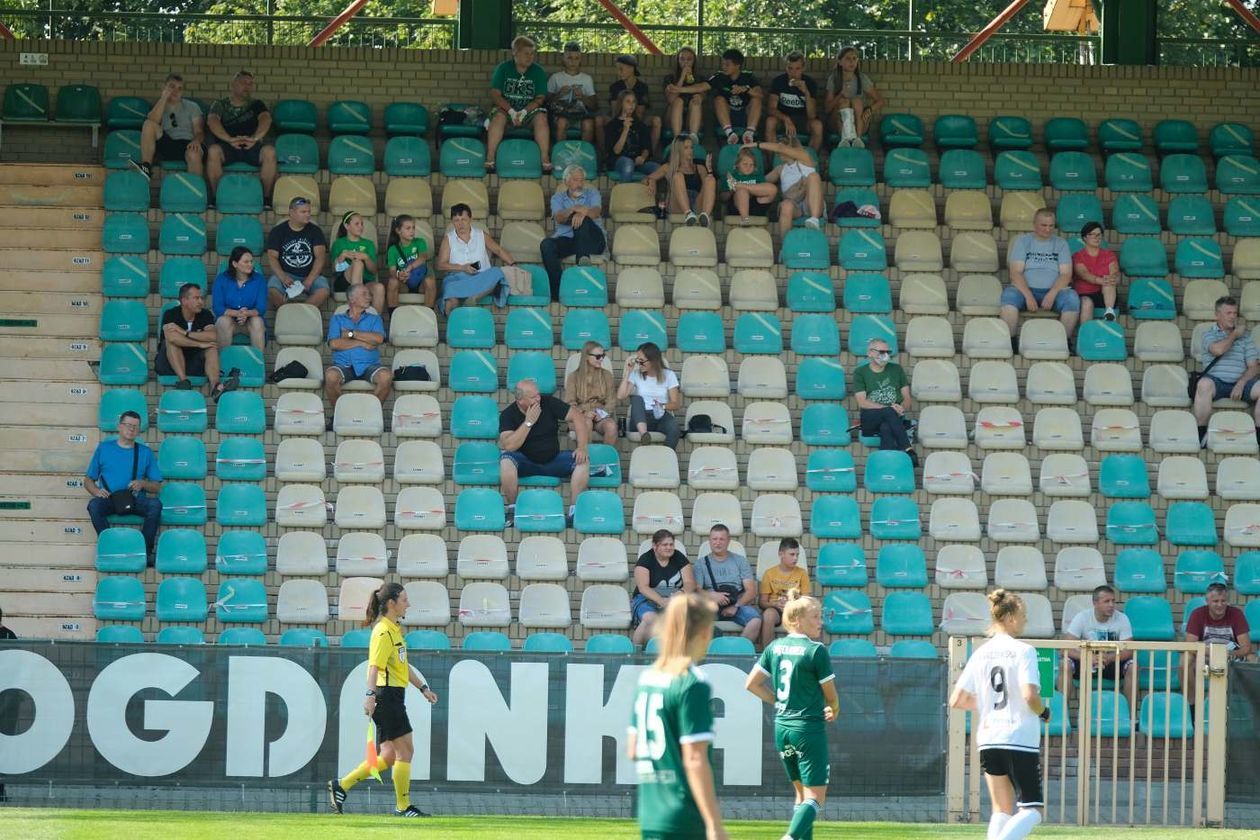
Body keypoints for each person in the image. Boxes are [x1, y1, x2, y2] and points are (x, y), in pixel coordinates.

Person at [328, 582, 439, 818]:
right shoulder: (383, 631)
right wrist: (370, 696)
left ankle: (342, 785)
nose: (408, 604)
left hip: (394, 696)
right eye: (404, 600)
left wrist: (423, 688)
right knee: (405, 752)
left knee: (388, 757)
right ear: (391, 603)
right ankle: (403, 807)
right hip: (386, 697)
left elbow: (402, 666)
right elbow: (374, 667)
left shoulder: (394, 629)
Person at [949, 590, 1050, 840]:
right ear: (1011, 618)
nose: (1025, 621)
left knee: (1001, 809)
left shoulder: (981, 652)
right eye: (1023, 616)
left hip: (989, 738)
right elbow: (1029, 695)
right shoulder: (1024, 651)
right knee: (1033, 810)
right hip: (1018, 738)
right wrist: (1044, 712)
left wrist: (987, 705)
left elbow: (957, 700)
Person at [628, 592, 729, 840]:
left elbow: (633, 749)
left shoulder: (647, 679)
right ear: (706, 631)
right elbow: (695, 759)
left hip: (651, 814)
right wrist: (714, 824)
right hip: (684, 816)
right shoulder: (692, 682)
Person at [745, 589, 839, 840]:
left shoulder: (774, 647)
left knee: (801, 795)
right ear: (796, 619)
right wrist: (835, 707)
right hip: (807, 729)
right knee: (816, 797)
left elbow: (752, 684)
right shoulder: (816, 650)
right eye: (816, 616)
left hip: (782, 728)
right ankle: (789, 838)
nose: (821, 621)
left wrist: (777, 700)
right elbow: (830, 695)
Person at [499, 377, 590, 527]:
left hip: (553, 460)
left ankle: (574, 512)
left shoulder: (548, 403)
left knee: (583, 461)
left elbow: (577, 416)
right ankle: (512, 509)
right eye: (533, 397)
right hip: (525, 461)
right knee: (506, 461)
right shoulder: (508, 414)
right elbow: (509, 445)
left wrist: (582, 447)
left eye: (538, 394)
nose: (538, 398)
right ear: (520, 400)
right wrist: (528, 422)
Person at [84, 410, 163, 560]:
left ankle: (144, 552)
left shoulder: (145, 452)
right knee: (94, 505)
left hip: (135, 499)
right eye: (128, 425)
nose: (131, 429)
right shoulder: (104, 448)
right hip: (110, 499)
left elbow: (157, 486)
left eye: (135, 426)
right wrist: (96, 491)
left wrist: (143, 483)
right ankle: (110, 546)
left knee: (155, 505)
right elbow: (88, 480)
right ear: (119, 426)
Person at [1000, 208, 1078, 353]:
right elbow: (1015, 273)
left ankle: (1063, 342)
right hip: (1025, 290)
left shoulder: (1061, 244)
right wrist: (1028, 295)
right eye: (1044, 225)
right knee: (1008, 296)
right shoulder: (1023, 242)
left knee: (1072, 299)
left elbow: (1066, 274)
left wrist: (1053, 293)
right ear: (1034, 224)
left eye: (1051, 226)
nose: (1048, 229)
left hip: (1054, 291)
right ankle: (1010, 342)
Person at [1192, 295, 1260, 446]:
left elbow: (1254, 366)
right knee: (1203, 384)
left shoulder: (1246, 338)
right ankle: (1200, 434)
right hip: (1216, 382)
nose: (1233, 317)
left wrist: (1242, 383)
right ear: (1217, 315)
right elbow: (1218, 350)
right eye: (1228, 313)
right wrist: (1234, 335)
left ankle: (1258, 436)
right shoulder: (1209, 334)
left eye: (1235, 313)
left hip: (1240, 383)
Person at [205, 70, 277, 204]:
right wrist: (229, 139)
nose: (247, 86)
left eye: (250, 84)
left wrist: (254, 139)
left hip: (251, 145)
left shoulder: (257, 104)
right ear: (233, 84)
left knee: (270, 151)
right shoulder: (220, 104)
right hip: (227, 146)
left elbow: (265, 119)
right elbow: (212, 121)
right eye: (244, 83)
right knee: (213, 151)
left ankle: (265, 198)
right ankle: (216, 197)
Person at [1061, 585, 1136, 712]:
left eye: (1113, 601)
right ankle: (1062, 714)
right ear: (1095, 603)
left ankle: (1130, 716)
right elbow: (1064, 648)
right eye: (1106, 601)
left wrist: (1111, 657)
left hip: (1111, 662)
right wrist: (1087, 657)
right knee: (1065, 664)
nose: (1111, 605)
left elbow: (1129, 650)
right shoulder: (1082, 617)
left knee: (1133, 667)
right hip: (1086, 662)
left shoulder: (1122, 618)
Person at [434, 202, 514, 317]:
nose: (460, 224)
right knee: (450, 290)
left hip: (481, 276)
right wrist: (463, 267)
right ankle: (453, 329)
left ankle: (472, 299)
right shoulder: (449, 239)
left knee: (497, 272)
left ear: (470, 219)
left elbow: (498, 250)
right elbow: (440, 265)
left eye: (463, 219)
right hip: (458, 278)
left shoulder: (481, 235)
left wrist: (513, 264)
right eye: (456, 220)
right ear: (452, 222)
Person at [486, 35, 551, 174]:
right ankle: (490, 157)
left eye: (532, 53)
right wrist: (511, 111)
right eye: (526, 53)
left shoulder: (538, 71)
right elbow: (495, 94)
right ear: (515, 53)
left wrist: (523, 112)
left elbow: (540, 98)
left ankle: (544, 158)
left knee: (542, 118)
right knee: (498, 118)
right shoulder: (503, 68)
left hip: (528, 112)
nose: (530, 57)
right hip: (507, 111)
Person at [324, 284, 392, 414]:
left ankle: (370, 414)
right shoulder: (337, 319)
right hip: (343, 365)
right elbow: (334, 344)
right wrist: (361, 343)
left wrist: (351, 334)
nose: (369, 297)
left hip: (369, 365)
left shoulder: (375, 318)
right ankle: (341, 415)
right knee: (331, 376)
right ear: (352, 299)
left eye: (369, 294)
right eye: (364, 294)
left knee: (386, 377)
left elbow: (378, 339)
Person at [540, 165, 605, 300]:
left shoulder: (593, 194)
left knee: (584, 220)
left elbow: (595, 211)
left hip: (593, 241)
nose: (580, 184)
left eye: (582, 181)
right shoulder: (557, 198)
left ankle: (582, 261)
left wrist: (583, 212)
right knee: (546, 245)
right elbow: (559, 217)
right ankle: (558, 289)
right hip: (569, 241)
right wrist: (573, 209)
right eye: (576, 180)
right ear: (566, 182)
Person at [673, 48, 762, 146]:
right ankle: (730, 134)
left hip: (746, 115)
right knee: (718, 99)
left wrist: (746, 89)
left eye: (727, 65)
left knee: (756, 100)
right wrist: (679, 89)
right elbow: (702, 86)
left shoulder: (748, 76)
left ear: (737, 65)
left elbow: (760, 94)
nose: (724, 67)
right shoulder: (719, 76)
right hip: (726, 116)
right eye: (723, 64)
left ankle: (749, 133)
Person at [853, 337, 917, 466]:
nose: (885, 355)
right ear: (870, 353)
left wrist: (901, 408)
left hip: (895, 417)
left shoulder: (897, 369)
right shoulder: (860, 372)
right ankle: (907, 448)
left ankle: (886, 466)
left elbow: (907, 398)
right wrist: (889, 409)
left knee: (886, 428)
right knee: (888, 412)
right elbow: (862, 402)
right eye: (881, 352)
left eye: (888, 352)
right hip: (870, 418)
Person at [695, 524, 762, 645]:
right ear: (709, 541)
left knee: (755, 620)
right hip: (711, 606)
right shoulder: (701, 564)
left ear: (728, 541)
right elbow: (697, 590)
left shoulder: (740, 561)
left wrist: (735, 606)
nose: (718, 543)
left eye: (722, 539)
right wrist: (712, 595)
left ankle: (737, 652)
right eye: (714, 539)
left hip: (737, 605)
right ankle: (711, 655)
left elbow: (751, 591)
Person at [157, 282, 225, 398]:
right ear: (184, 301)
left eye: (201, 298)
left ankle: (215, 387)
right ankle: (183, 381)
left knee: (211, 346)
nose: (201, 302)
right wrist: (199, 344)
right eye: (196, 298)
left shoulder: (205, 314)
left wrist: (184, 333)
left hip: (194, 364)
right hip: (170, 364)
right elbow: (172, 338)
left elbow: (212, 336)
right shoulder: (171, 314)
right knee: (171, 342)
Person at [131, 73, 204, 181]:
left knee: (194, 152)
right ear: (164, 87)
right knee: (148, 124)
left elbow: (199, 131)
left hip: (188, 144)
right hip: (169, 144)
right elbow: (152, 120)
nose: (175, 91)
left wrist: (196, 141)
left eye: (179, 89)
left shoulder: (193, 107)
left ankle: (196, 192)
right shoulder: (160, 105)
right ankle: (146, 167)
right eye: (172, 86)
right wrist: (164, 97)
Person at [632, 529, 697, 648]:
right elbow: (643, 588)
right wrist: (661, 601)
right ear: (654, 546)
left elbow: (690, 583)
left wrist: (681, 592)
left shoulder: (678, 557)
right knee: (649, 619)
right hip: (647, 598)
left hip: (673, 598)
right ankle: (637, 653)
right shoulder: (645, 559)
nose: (669, 548)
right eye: (664, 545)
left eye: (671, 544)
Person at [266, 195, 331, 311]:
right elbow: (272, 257)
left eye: (309, 211)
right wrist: (283, 277)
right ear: (291, 212)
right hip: (287, 274)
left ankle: (300, 313)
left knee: (324, 290)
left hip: (310, 274)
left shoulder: (315, 231)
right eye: (303, 212)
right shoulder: (278, 231)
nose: (308, 214)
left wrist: (309, 280)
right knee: (272, 288)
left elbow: (320, 257)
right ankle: (287, 313)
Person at [756, 137, 824, 238]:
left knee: (814, 176)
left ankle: (814, 219)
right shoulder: (780, 169)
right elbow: (761, 181)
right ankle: (785, 247)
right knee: (786, 205)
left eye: (782, 147)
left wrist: (755, 145)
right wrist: (741, 180)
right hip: (794, 206)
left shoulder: (805, 158)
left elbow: (780, 148)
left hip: (810, 203)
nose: (778, 151)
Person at [617, 341, 681, 448]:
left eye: (641, 361)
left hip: (659, 414)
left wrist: (662, 406)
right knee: (636, 399)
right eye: (637, 361)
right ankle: (644, 434)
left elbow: (676, 404)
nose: (639, 364)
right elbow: (620, 396)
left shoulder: (669, 375)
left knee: (674, 428)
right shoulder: (636, 374)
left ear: (653, 360)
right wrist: (628, 372)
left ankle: (665, 457)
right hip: (639, 418)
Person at [597, 54, 661, 158]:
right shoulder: (615, 87)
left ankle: (649, 155)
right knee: (599, 120)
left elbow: (640, 112)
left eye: (621, 69)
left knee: (657, 120)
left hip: (637, 118)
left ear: (631, 68)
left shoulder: (642, 87)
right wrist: (619, 123)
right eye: (617, 69)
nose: (618, 72)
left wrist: (632, 123)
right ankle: (605, 154)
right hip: (618, 117)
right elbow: (614, 111)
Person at [646, 133, 716, 227]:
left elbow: (707, 190)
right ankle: (688, 213)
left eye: (691, 147)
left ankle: (705, 216)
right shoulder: (668, 167)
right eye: (686, 148)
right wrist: (652, 181)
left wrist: (710, 171)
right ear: (678, 150)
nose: (690, 151)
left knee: (710, 179)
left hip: (696, 202)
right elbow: (647, 178)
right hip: (677, 204)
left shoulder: (700, 168)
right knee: (678, 176)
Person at [824, 46, 884, 148]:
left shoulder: (861, 78)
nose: (852, 62)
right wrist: (840, 95)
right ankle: (845, 138)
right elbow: (827, 109)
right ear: (840, 62)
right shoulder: (834, 78)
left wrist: (869, 109)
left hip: (858, 124)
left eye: (854, 58)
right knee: (844, 102)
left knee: (857, 101)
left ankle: (857, 140)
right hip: (838, 124)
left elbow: (880, 101)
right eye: (848, 59)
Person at [211, 245, 267, 351]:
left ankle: (258, 363)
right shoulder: (222, 279)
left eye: (251, 261)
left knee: (257, 321)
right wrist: (238, 313)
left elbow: (261, 308)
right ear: (235, 263)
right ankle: (223, 364)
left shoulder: (259, 279)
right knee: (222, 321)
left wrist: (247, 313)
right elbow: (217, 308)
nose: (250, 264)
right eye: (246, 262)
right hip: (230, 322)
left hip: (250, 322)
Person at [766, 52, 823, 154]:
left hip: (803, 120)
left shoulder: (810, 83)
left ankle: (808, 161)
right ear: (786, 68)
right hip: (783, 119)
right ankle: (772, 162)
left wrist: (806, 92)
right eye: (790, 68)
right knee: (770, 121)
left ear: (803, 68)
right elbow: (771, 108)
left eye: (797, 69)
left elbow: (812, 115)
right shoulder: (778, 81)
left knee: (817, 125)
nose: (793, 72)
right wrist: (786, 119)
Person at [564, 340, 618, 446]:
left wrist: (602, 414)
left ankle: (604, 459)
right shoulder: (573, 377)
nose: (601, 359)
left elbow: (611, 400)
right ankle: (588, 458)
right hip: (580, 415)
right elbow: (570, 402)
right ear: (587, 357)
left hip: (600, 415)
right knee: (586, 422)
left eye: (603, 355)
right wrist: (584, 413)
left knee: (611, 426)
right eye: (598, 356)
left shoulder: (607, 375)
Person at [759, 538, 809, 649]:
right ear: (781, 554)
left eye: (797, 555)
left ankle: (801, 653)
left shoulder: (802, 573)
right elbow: (762, 603)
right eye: (792, 554)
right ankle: (768, 653)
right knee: (768, 614)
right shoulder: (769, 573)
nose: (795, 558)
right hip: (776, 609)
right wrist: (775, 605)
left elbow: (806, 600)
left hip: (795, 609)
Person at [330, 210, 383, 314]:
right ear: (347, 226)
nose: (360, 227)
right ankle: (357, 310)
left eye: (362, 224)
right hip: (344, 281)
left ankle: (375, 324)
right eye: (357, 224)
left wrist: (366, 258)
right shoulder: (339, 243)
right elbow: (333, 270)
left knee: (379, 287)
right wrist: (342, 256)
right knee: (357, 264)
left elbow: (373, 271)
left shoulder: (368, 244)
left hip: (365, 281)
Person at [546, 41, 597, 144]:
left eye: (576, 58)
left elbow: (594, 105)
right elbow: (546, 102)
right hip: (561, 115)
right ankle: (560, 154)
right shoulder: (555, 77)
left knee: (588, 124)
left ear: (580, 60)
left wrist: (582, 97)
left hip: (581, 116)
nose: (573, 62)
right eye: (569, 58)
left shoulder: (586, 79)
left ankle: (584, 155)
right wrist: (559, 94)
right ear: (563, 59)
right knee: (562, 122)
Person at [605, 90, 660, 182]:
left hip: (637, 162)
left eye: (634, 102)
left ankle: (648, 193)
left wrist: (642, 157)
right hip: (618, 161)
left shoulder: (640, 125)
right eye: (628, 101)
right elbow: (616, 151)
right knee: (628, 164)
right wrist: (625, 130)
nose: (631, 104)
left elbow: (647, 147)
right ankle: (625, 195)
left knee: (657, 168)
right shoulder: (612, 125)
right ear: (621, 103)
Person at [1072, 221, 1121, 323]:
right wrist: (1101, 280)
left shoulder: (1108, 254)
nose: (1096, 237)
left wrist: (1113, 278)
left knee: (1109, 281)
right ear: (1084, 237)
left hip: (1106, 295)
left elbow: (1115, 271)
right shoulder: (1078, 256)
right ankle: (1086, 335)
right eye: (1092, 234)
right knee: (1087, 303)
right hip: (1084, 294)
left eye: (1099, 234)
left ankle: (1109, 312)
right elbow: (1084, 274)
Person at [385, 214, 431, 311]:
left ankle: (429, 316)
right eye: (408, 228)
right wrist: (399, 274)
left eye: (413, 228)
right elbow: (392, 271)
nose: (412, 231)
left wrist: (410, 267)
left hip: (420, 282)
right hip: (404, 283)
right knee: (392, 282)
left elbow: (423, 257)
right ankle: (393, 316)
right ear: (398, 231)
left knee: (430, 281)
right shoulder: (393, 249)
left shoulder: (420, 242)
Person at [723, 146, 777, 225]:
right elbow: (722, 197)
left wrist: (739, 185)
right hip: (737, 207)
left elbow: (770, 191)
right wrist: (732, 191)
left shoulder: (758, 176)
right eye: (745, 164)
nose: (748, 167)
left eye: (751, 165)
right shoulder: (732, 176)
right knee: (742, 192)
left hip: (756, 204)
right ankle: (745, 219)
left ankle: (740, 185)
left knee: (773, 188)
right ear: (737, 164)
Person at [663, 46, 704, 140]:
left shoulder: (699, 78)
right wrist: (682, 76)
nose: (685, 62)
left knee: (696, 101)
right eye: (682, 59)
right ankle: (677, 139)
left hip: (692, 118)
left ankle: (693, 137)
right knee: (678, 101)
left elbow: (703, 97)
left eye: (689, 59)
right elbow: (670, 100)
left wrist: (699, 97)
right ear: (678, 61)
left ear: (694, 61)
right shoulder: (670, 78)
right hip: (672, 117)